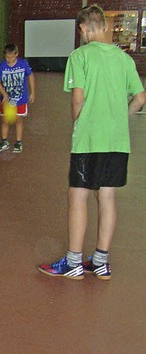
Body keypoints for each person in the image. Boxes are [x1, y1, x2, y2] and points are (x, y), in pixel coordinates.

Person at [38, 4, 145, 280]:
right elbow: (141, 97)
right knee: (107, 196)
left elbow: (77, 98)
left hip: (89, 139)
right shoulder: (125, 59)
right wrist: (123, 116)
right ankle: (100, 261)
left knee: (78, 195)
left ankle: (73, 262)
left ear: (83, 28)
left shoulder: (80, 55)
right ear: (105, 26)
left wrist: (78, 124)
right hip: (117, 142)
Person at [0, 43, 36, 154]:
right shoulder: (2, 65)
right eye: (7, 57)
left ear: (16, 54)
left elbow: (30, 76)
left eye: (12, 56)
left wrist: (32, 92)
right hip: (7, 100)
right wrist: (4, 94)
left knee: (18, 120)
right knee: (5, 120)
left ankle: (18, 142)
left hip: (21, 98)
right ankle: (4, 141)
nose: (9, 59)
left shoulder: (23, 64)